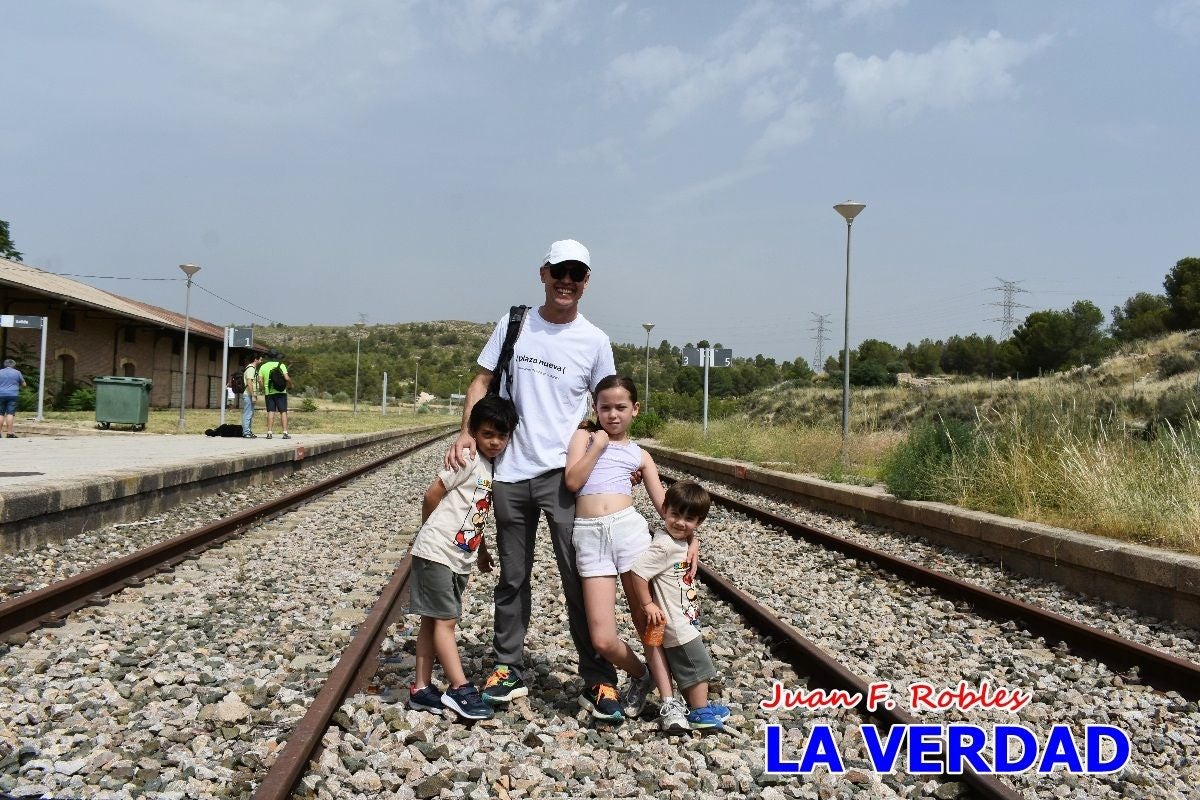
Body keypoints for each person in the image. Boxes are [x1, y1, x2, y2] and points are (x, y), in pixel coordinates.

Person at [444, 238, 618, 709]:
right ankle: (508, 666)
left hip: (565, 478)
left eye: (576, 274)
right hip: (511, 472)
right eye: (559, 272)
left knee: (578, 576)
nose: (566, 282)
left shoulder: (595, 341)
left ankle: (598, 676)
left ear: (586, 282)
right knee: (512, 577)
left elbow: (608, 407)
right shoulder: (515, 323)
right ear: (543, 273)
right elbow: (482, 380)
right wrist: (466, 432)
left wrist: (618, 462)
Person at [563, 374, 675, 721]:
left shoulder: (640, 455)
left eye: (621, 407)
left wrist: (692, 539)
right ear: (595, 408)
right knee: (602, 639)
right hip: (589, 537)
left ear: (635, 409)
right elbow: (572, 481)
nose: (613, 414)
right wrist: (597, 446)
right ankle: (643, 676)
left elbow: (665, 508)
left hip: (628, 532)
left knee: (646, 621)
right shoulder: (584, 438)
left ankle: (670, 701)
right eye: (605, 407)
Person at [408, 395, 520, 721]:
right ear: (474, 431)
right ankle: (459, 687)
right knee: (446, 621)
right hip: (438, 551)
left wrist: (481, 551)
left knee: (432, 620)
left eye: (501, 436)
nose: (495, 442)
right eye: (487, 434)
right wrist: (431, 532)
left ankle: (420, 688)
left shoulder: (492, 467)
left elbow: (476, 516)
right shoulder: (467, 458)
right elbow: (433, 493)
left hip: (459, 556)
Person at [628, 480, 731, 732]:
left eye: (689, 519)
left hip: (683, 617)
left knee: (688, 666)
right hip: (675, 621)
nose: (681, 523)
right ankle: (699, 711)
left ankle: (698, 705)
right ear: (664, 510)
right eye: (675, 514)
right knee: (697, 666)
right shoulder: (665, 546)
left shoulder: (678, 540)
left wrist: (693, 541)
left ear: (699, 522)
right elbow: (638, 572)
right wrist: (647, 604)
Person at [258, 351, 293, 440]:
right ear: (276, 357)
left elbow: (260, 380)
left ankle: (269, 433)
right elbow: (287, 378)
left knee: (271, 412)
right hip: (281, 392)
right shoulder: (281, 365)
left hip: (269, 393)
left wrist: (262, 388)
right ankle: (285, 433)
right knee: (283, 412)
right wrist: (290, 385)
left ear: (268, 357)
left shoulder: (263, 366)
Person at [0, 358, 26, 438]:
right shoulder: (17, 372)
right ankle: (9, 433)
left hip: (1, 394)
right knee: (10, 413)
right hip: (13, 395)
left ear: (5, 365)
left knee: (0, 414)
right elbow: (24, 384)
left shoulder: (0, 372)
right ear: (14, 365)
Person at [240, 354, 263, 438]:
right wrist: (253, 395)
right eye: (260, 359)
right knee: (247, 413)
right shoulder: (250, 369)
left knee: (250, 413)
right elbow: (249, 382)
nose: (261, 361)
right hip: (248, 395)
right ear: (255, 359)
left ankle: (248, 431)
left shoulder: (253, 368)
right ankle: (246, 432)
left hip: (251, 394)